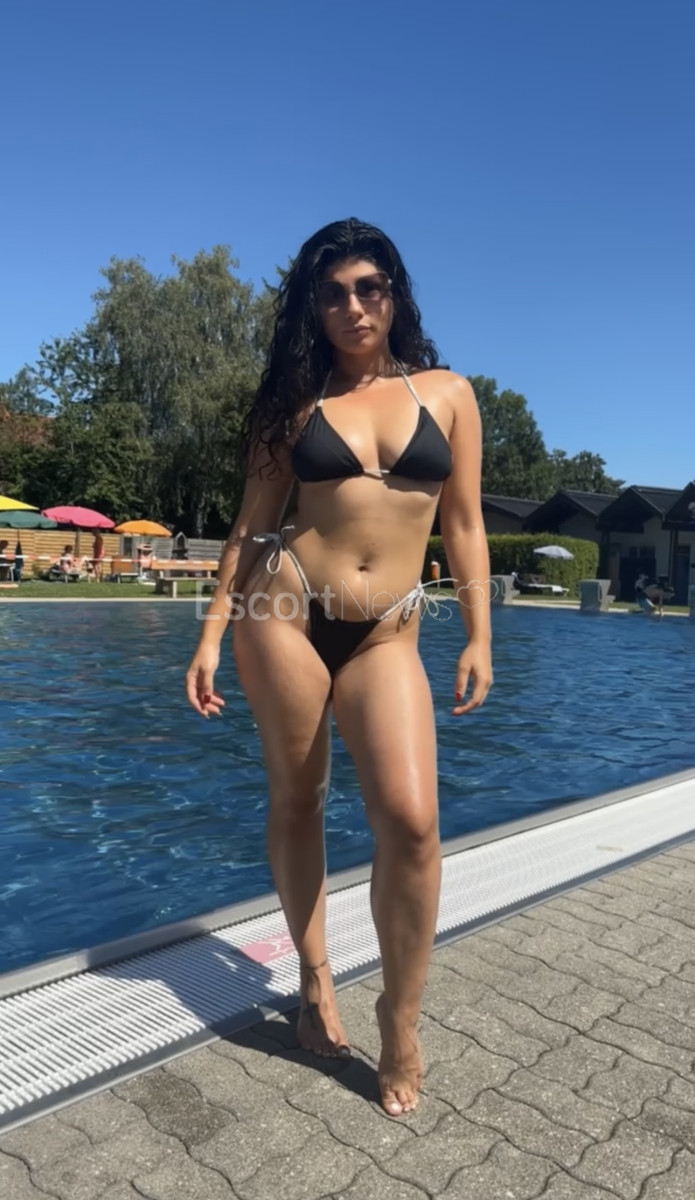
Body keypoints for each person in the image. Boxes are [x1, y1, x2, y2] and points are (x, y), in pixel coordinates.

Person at [185, 218, 493, 1117]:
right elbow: (251, 527)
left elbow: (463, 522)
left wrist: (480, 634)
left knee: (411, 822)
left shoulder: (448, 393)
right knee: (299, 798)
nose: (352, 307)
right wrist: (209, 634)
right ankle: (315, 977)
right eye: (332, 294)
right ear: (311, 308)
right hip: (283, 612)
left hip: (388, 630)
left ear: (394, 293)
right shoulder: (294, 403)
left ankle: (401, 1017)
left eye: (368, 287)